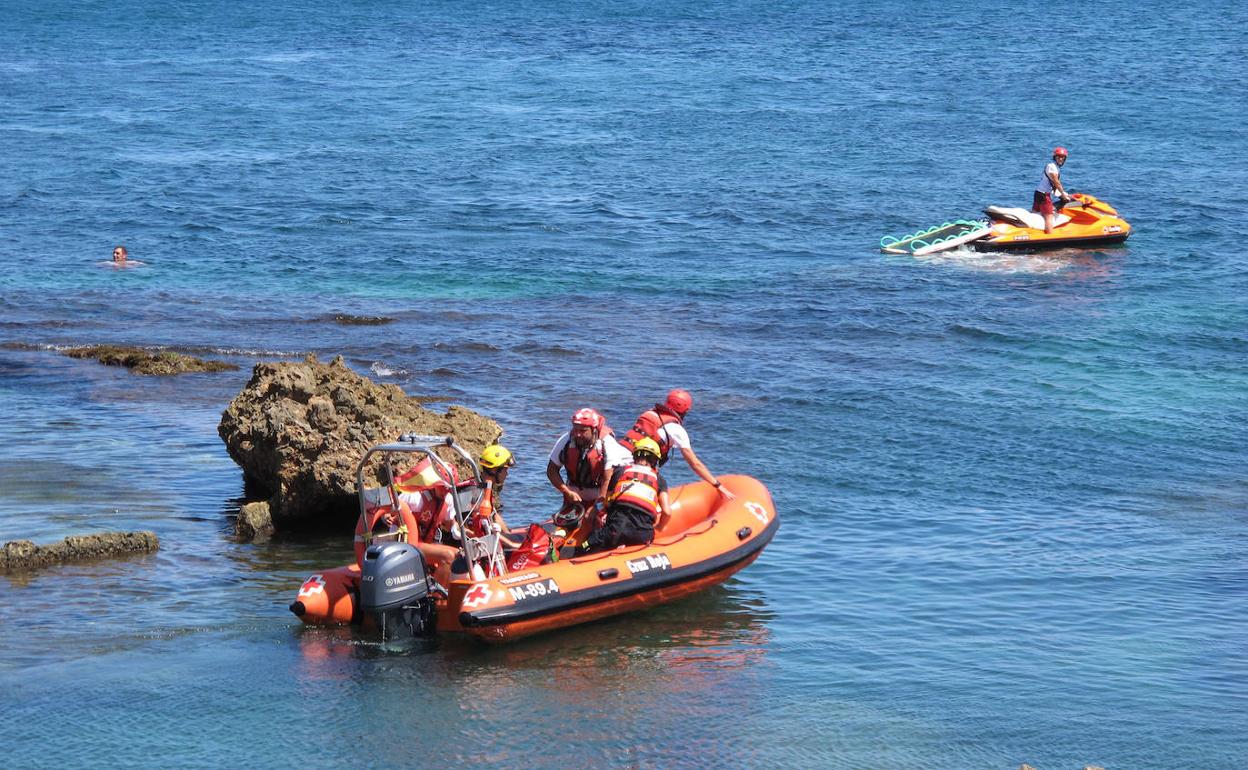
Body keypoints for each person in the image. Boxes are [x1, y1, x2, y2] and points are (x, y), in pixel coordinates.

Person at [618, 389, 735, 501]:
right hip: (634, 467)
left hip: (617, 455)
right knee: (658, 489)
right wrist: (717, 485)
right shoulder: (676, 430)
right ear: (685, 410)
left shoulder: (649, 413)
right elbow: (695, 463)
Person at [581, 438, 670, 554]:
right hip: (643, 534)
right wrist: (660, 528)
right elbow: (667, 512)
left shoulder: (620, 472)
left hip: (615, 531)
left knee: (585, 546)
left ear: (634, 456)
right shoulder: (660, 480)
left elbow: (606, 503)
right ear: (655, 461)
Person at [546, 408, 631, 511]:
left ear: (594, 430)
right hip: (574, 495)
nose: (578, 434)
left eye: (583, 431)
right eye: (575, 429)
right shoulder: (566, 441)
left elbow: (607, 478)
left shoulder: (607, 443)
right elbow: (551, 470)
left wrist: (597, 507)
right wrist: (566, 491)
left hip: (603, 491)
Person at [1033, 147, 1072, 233]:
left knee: (1035, 214)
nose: (1061, 159)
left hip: (1038, 193)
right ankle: (1050, 236)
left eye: (1063, 157)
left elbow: (1053, 185)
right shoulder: (1052, 167)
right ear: (1055, 157)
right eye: (1059, 157)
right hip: (1044, 195)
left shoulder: (1055, 167)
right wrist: (1063, 194)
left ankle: (1033, 233)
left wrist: (1064, 194)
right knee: (1049, 216)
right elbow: (1056, 182)